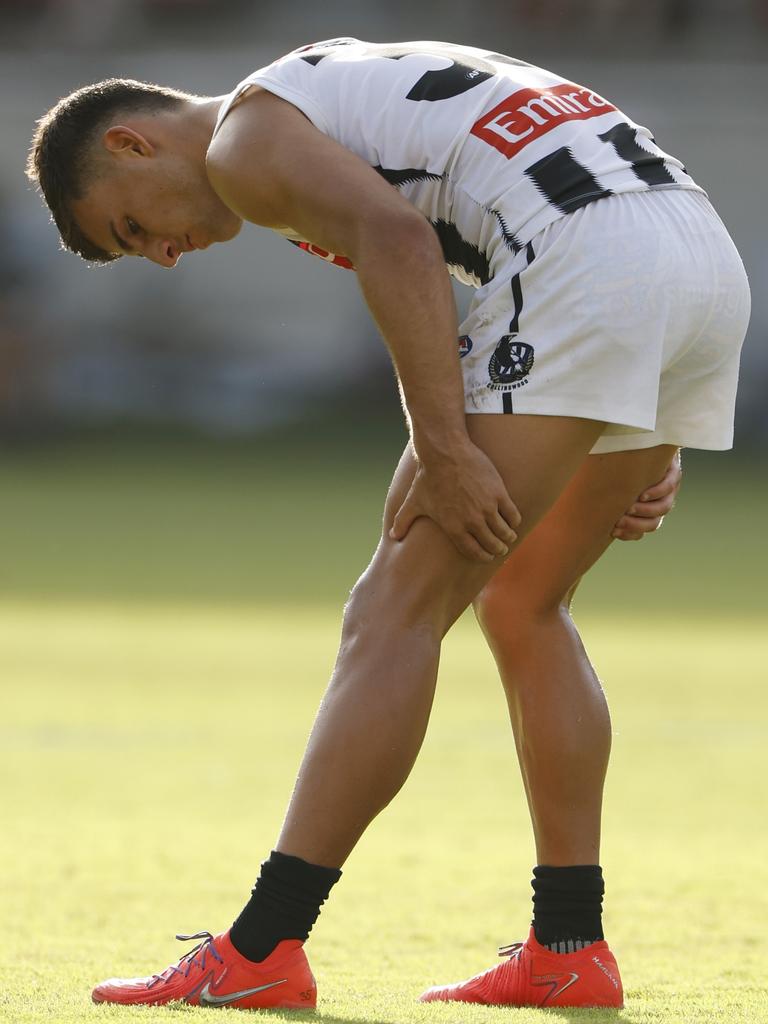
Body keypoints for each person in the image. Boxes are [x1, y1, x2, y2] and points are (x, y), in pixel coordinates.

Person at [27, 38, 748, 1011]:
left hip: (590, 259)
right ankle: (568, 944)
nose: (161, 253)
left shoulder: (244, 142)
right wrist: (642, 434)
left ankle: (260, 949)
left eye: (131, 226)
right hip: (697, 258)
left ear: (133, 143)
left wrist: (446, 444)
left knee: (390, 612)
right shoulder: (328, 85)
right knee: (528, 600)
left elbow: (399, 242)